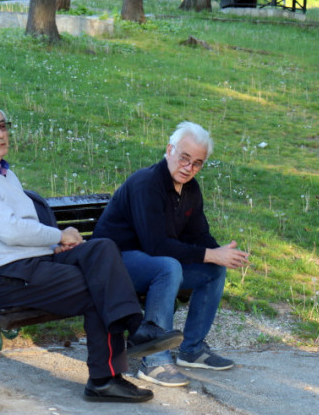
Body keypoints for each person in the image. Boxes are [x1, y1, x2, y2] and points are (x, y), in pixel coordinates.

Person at [0, 102, 182, 403]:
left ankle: (133, 335)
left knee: (103, 250)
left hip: (31, 264)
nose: (0, 133)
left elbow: (18, 230)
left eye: (3, 125)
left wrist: (51, 245)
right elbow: (10, 230)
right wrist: (59, 235)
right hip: (2, 277)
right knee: (101, 286)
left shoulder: (4, 173)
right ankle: (107, 376)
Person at [93, 122, 250, 388]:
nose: (189, 168)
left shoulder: (191, 190)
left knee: (212, 270)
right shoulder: (147, 183)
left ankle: (192, 349)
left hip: (148, 262)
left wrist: (221, 254)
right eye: (184, 158)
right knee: (168, 267)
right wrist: (210, 254)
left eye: (197, 163)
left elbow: (199, 235)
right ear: (169, 150)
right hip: (113, 262)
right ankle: (154, 359)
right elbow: (157, 246)